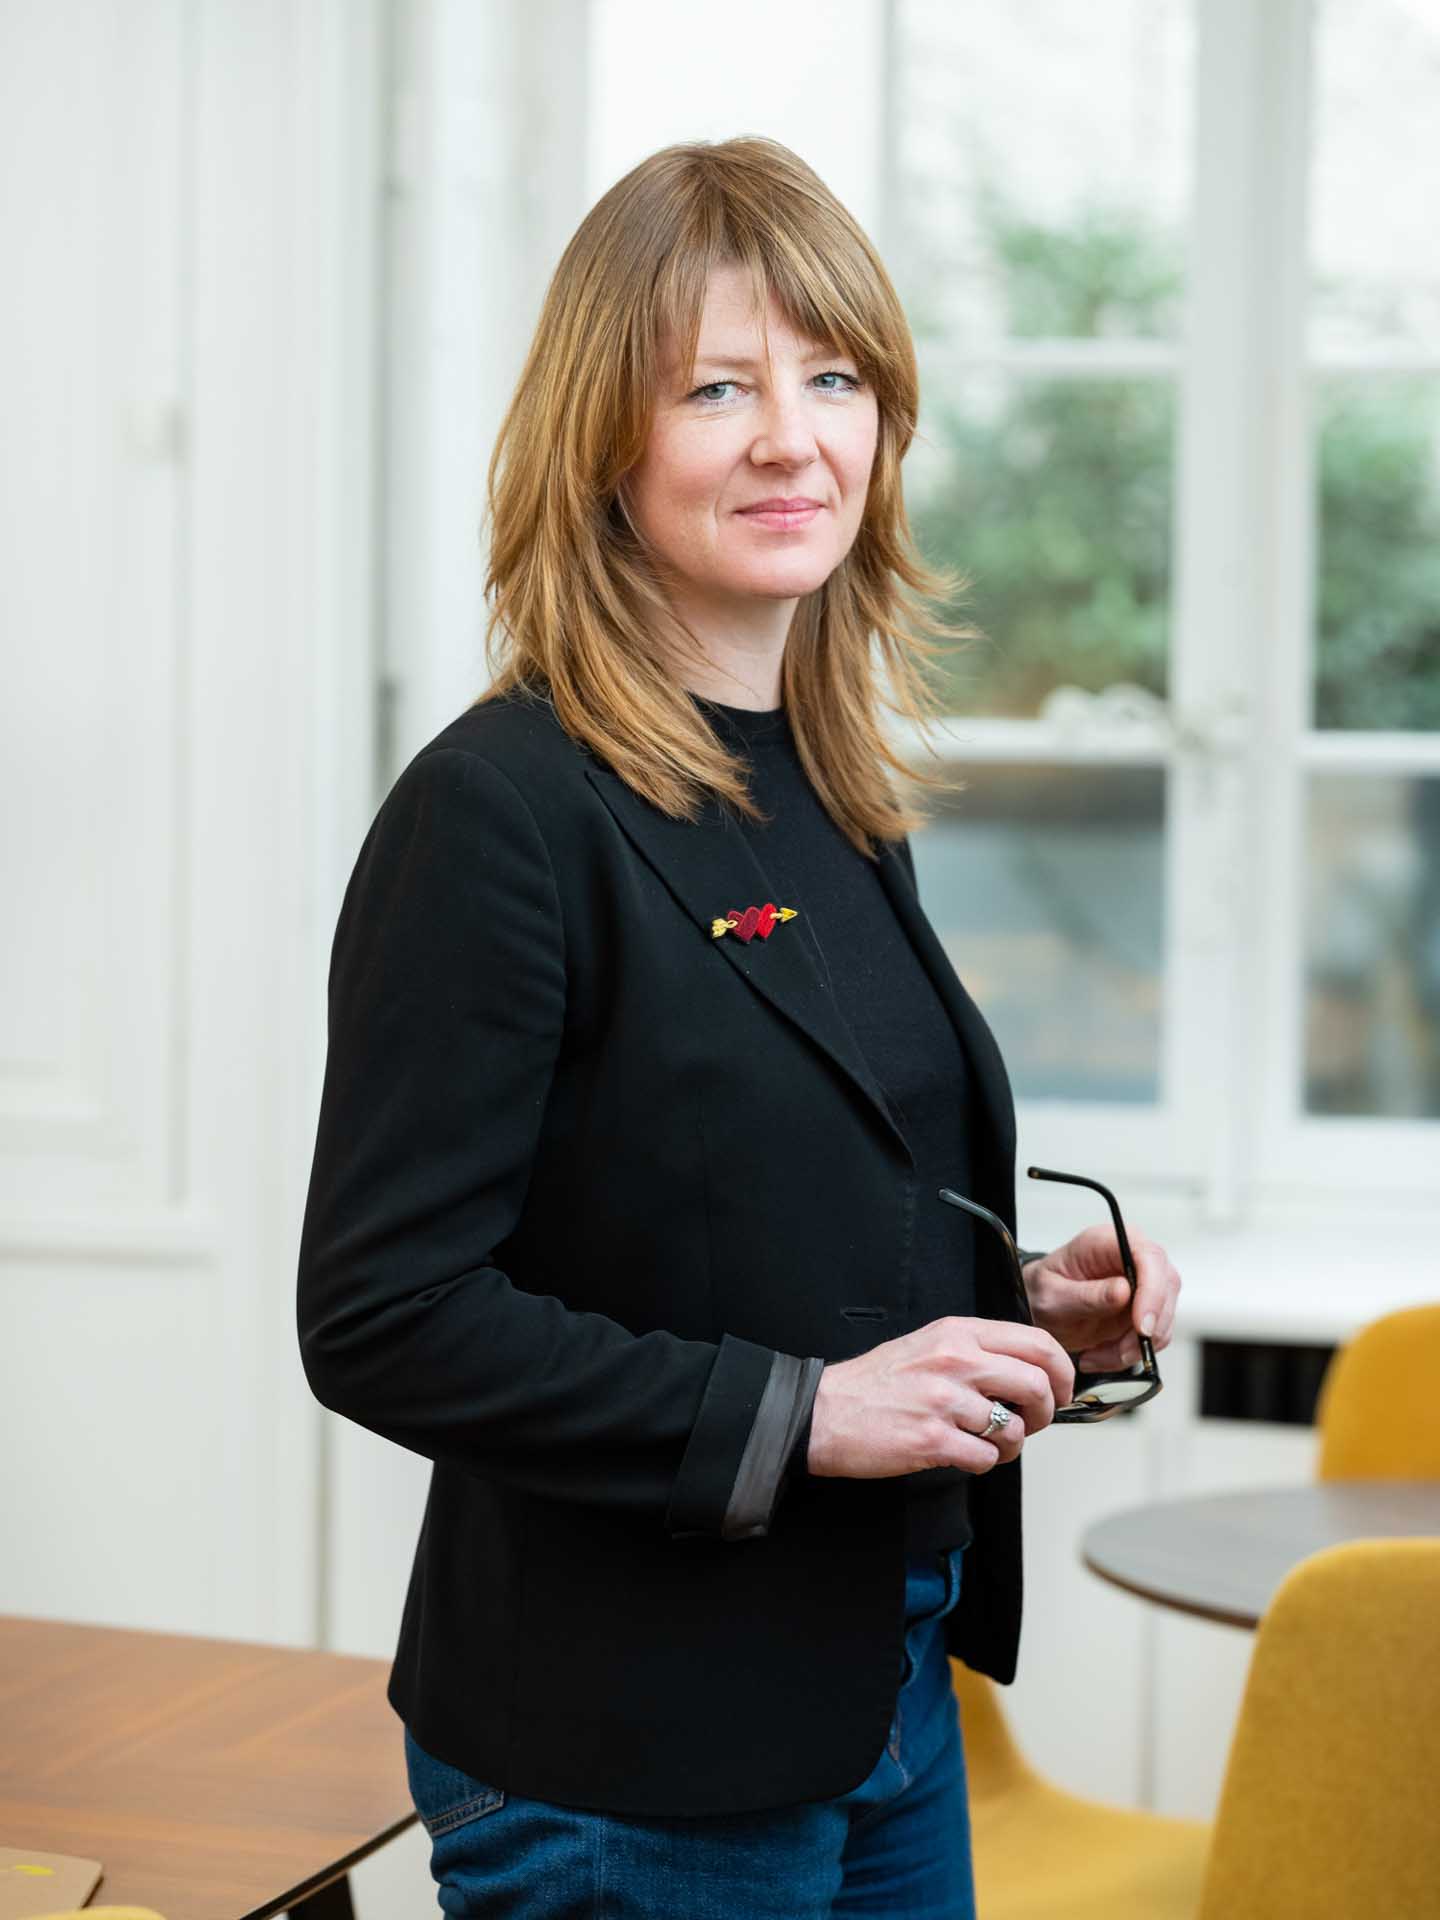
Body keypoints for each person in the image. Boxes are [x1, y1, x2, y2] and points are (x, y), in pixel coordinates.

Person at [296, 135, 1181, 1919]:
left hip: (880, 1692)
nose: (794, 437)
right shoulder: (500, 812)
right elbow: (385, 1316)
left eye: (834, 378)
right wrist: (809, 1415)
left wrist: (1016, 1318)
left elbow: (746, 1211)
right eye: (718, 388)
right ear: (603, 445)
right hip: (628, 1762)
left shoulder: (833, 792)